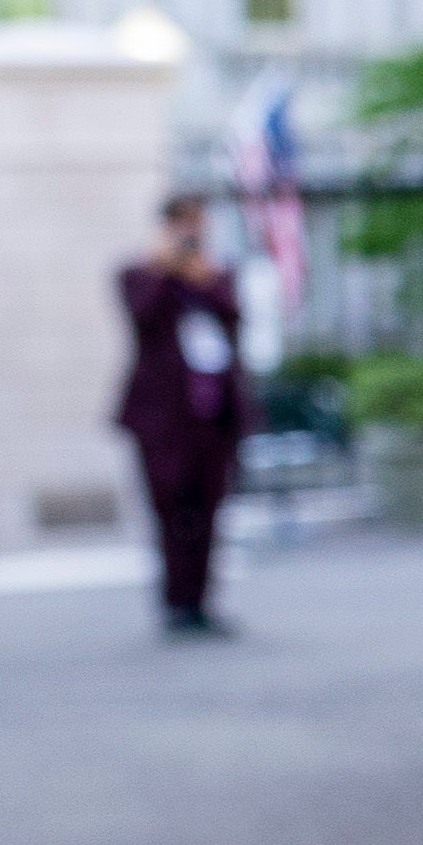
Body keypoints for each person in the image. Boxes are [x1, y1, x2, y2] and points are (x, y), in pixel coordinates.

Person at [112, 192, 248, 637]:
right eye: (183, 225)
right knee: (169, 509)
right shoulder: (139, 274)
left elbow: (234, 314)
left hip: (211, 416)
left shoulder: (215, 274)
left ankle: (202, 602)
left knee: (209, 510)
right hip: (162, 421)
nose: (192, 235)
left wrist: (200, 278)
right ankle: (176, 602)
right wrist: (165, 267)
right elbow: (140, 316)